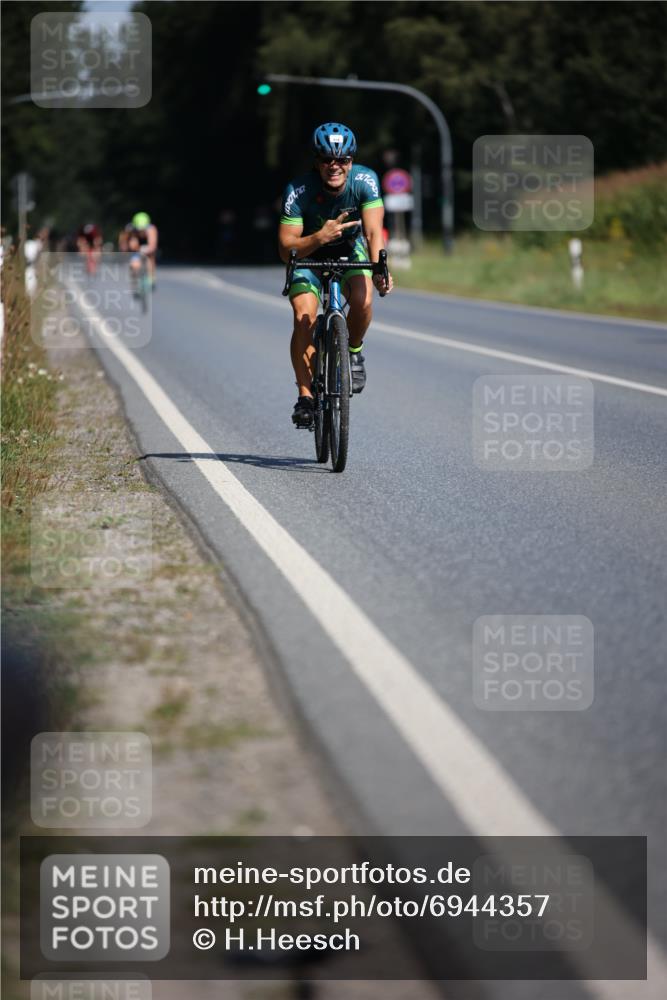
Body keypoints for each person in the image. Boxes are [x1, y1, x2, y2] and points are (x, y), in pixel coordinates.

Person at [278, 123, 393, 428]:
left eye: (342, 160)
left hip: (348, 250)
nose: (335, 166)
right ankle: (305, 397)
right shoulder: (298, 190)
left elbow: (372, 231)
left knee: (363, 298)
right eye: (327, 159)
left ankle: (353, 351)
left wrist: (380, 267)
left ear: (351, 161)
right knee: (303, 314)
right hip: (307, 255)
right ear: (317, 161)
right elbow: (285, 248)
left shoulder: (366, 180)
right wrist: (319, 237)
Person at [127, 212, 158, 288]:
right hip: (137, 247)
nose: (141, 231)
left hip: (148, 246)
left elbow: (153, 245)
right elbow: (131, 245)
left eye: (143, 229)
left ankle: (151, 277)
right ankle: (134, 281)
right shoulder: (132, 230)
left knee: (151, 257)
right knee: (133, 264)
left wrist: (147, 250)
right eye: (139, 229)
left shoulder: (151, 229)